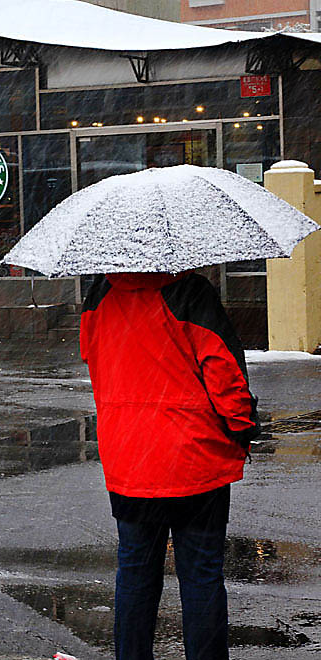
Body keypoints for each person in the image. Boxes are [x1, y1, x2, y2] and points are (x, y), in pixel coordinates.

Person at [80, 271, 260, 660]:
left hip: (129, 458)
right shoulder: (189, 292)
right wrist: (242, 427)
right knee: (201, 576)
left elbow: (93, 358)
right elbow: (224, 373)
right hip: (195, 459)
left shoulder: (99, 293)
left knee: (135, 574)